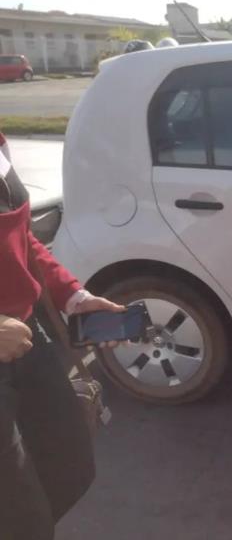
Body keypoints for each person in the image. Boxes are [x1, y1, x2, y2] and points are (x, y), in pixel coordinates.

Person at [0, 129, 125, 540]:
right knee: (19, 511)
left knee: (69, 468)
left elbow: (23, 240)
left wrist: (75, 296)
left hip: (26, 342)